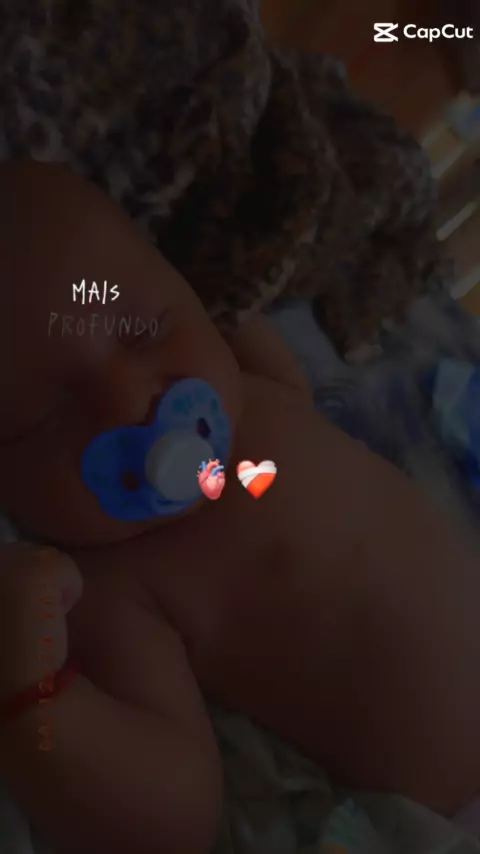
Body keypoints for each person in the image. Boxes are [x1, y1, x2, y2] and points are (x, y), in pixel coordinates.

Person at [0, 161, 479, 854]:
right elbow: (178, 811)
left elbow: (240, 298)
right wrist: (34, 691)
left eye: (141, 331)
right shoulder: (111, 586)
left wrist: (231, 278)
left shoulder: (254, 387)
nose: (130, 402)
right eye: (46, 417)